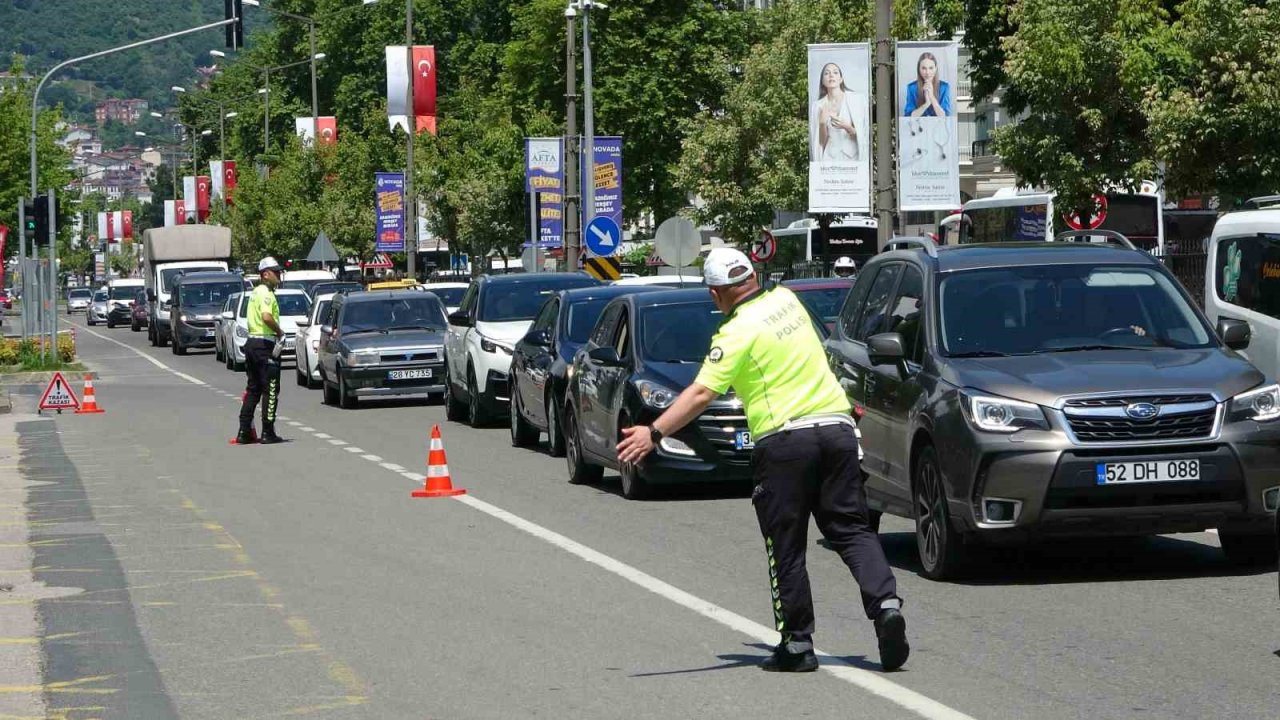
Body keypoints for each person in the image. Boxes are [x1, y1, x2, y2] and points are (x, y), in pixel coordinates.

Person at [616, 248, 908, 673]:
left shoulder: (734, 332)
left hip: (786, 440)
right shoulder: (788, 301)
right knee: (851, 527)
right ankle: (885, 605)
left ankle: (797, 642)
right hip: (837, 427)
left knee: (785, 543)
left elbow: (701, 393)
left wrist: (653, 431)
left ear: (717, 294)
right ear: (753, 276)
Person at [236, 257, 286, 445]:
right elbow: (266, 316)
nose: (279, 275)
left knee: (253, 389)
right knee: (270, 389)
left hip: (252, 344)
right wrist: (279, 332)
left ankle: (244, 431)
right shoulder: (266, 292)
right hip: (264, 345)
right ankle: (267, 432)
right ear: (265, 274)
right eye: (276, 272)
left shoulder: (255, 292)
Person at [810, 62, 869, 162]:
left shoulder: (857, 100)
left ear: (841, 79)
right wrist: (822, 123)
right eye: (827, 73)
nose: (831, 75)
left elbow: (864, 136)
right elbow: (820, 144)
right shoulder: (818, 106)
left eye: (835, 72)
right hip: (829, 160)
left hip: (852, 160)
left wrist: (847, 127)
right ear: (823, 81)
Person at [903, 52, 952, 117]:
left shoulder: (944, 87)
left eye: (931, 68)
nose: (927, 72)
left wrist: (931, 97)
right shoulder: (912, 88)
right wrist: (926, 104)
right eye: (924, 68)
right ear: (919, 69)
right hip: (918, 126)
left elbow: (945, 116)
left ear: (935, 68)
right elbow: (909, 116)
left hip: (939, 126)